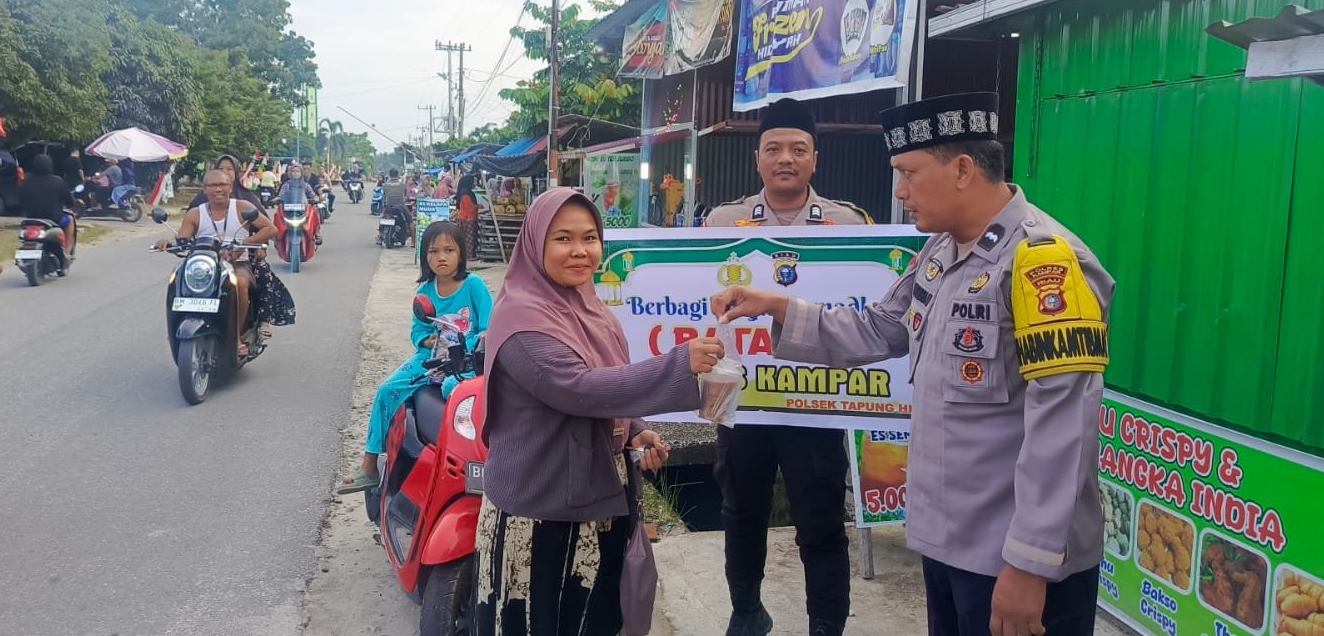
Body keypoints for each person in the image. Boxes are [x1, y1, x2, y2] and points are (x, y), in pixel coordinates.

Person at [713, 92, 1114, 636]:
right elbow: (878, 328)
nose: (898, 192)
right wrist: (779, 305)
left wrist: (1030, 562)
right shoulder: (940, 254)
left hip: (1011, 559)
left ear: (964, 170)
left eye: (908, 173)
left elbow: (1064, 429)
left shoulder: (1044, 264)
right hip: (949, 542)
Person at [473, 188, 723, 636]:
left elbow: (612, 377)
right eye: (563, 238)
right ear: (534, 243)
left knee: (597, 619)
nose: (580, 251)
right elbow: (577, 389)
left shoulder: (590, 307)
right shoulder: (519, 320)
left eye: (590, 238)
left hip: (597, 501)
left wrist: (635, 432)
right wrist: (678, 364)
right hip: (540, 514)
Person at [702, 97, 872, 636]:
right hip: (743, 399)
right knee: (740, 514)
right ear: (757, 158)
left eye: (798, 149)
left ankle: (826, 625)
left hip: (814, 401)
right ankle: (746, 611)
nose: (785, 159)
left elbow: (860, 314)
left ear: (815, 159)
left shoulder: (848, 224)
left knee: (821, 523)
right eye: (773, 148)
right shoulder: (722, 222)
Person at [339, 221, 492, 494]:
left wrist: (467, 343)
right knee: (387, 390)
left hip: (467, 361)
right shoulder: (424, 293)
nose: (441, 257)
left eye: (449, 250)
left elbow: (487, 328)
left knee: (454, 392)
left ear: (461, 254)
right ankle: (370, 465)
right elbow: (417, 330)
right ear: (425, 256)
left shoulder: (474, 286)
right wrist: (428, 340)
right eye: (434, 251)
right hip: (430, 359)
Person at [155, 169, 278, 357]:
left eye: (222, 185)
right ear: (204, 189)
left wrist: (244, 244)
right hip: (204, 266)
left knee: (241, 284)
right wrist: (168, 243)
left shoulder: (242, 207)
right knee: (177, 281)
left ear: (230, 188)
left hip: (238, 264)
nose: (218, 189)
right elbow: (182, 239)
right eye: (212, 185)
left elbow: (270, 229)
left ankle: (236, 337)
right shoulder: (195, 214)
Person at [19, 153, 80, 268]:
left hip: (31, 218)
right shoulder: (57, 181)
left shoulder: (27, 181)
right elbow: (69, 200)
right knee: (70, 219)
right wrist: (74, 204)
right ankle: (66, 252)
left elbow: (20, 198)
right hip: (53, 219)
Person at [190, 154, 265, 211]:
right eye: (221, 168)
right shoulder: (204, 195)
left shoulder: (246, 197)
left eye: (229, 169)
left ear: (236, 172)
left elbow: (266, 227)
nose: (225, 172)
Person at [454, 170, 480, 260]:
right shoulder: (466, 193)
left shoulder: (464, 192)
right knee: (469, 239)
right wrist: (478, 206)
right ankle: (469, 256)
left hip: (464, 217)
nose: (474, 183)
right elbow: (470, 207)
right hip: (468, 219)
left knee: (465, 238)